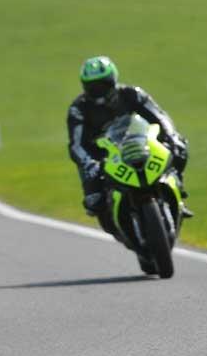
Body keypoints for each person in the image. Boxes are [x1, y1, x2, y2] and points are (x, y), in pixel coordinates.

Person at [67, 55, 192, 239]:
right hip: (100, 156)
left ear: (113, 81)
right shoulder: (78, 109)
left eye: (102, 85)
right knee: (95, 201)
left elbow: (159, 116)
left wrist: (171, 136)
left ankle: (178, 189)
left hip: (136, 144)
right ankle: (114, 222)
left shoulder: (132, 94)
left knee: (179, 147)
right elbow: (76, 144)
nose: (98, 92)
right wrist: (88, 162)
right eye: (93, 87)